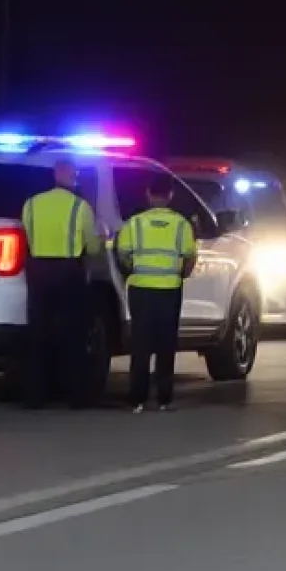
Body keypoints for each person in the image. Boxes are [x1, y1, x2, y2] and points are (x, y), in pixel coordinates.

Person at [19, 158, 104, 409]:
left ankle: (35, 396)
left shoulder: (31, 204)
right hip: (69, 272)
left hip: (37, 271)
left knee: (38, 334)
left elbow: (24, 236)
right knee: (73, 335)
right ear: (72, 176)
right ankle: (75, 396)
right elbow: (93, 247)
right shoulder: (81, 207)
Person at [114, 172, 198, 412]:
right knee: (166, 345)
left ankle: (137, 399)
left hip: (140, 289)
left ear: (148, 194)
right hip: (170, 290)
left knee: (140, 344)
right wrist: (179, 274)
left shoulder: (134, 223)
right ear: (170, 195)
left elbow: (123, 254)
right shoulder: (182, 225)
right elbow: (189, 259)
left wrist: (134, 270)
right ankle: (164, 399)